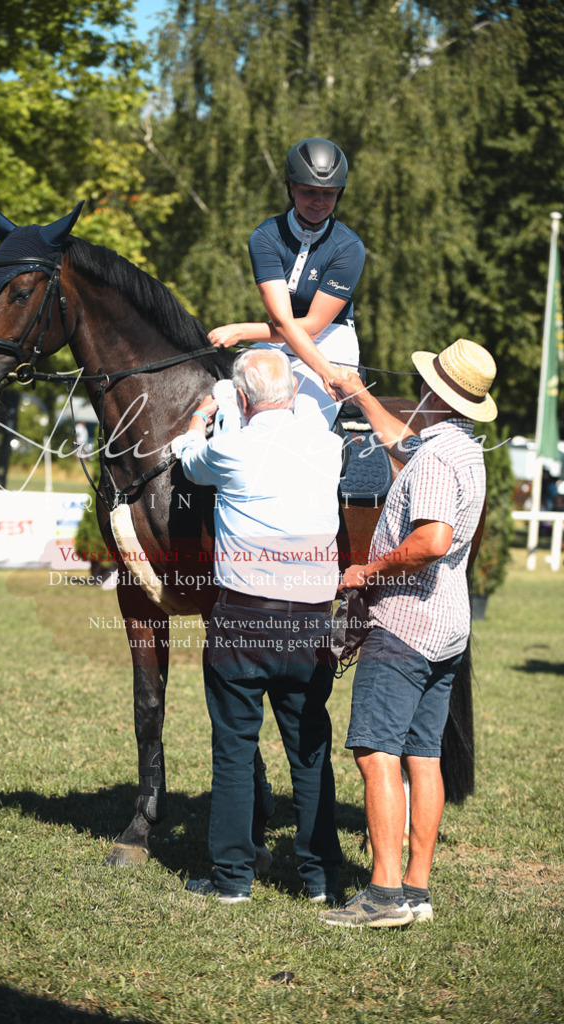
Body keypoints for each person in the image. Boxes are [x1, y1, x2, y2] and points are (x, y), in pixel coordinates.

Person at [320, 337, 496, 929]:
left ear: (432, 393)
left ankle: (383, 894)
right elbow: (402, 444)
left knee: (376, 755)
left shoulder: (438, 461)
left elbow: (432, 541)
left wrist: (366, 570)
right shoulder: (462, 449)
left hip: (404, 625)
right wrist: (360, 392)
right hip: (448, 626)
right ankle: (416, 889)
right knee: (423, 756)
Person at [179, 348, 344, 904]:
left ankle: (232, 880)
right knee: (310, 751)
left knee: (232, 749)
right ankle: (319, 878)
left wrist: (207, 414)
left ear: (244, 399)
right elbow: (303, 413)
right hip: (310, 620)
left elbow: (188, 458)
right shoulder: (327, 443)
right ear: (294, 397)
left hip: (243, 618)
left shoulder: (230, 447)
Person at [208, 137, 365, 430]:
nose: (319, 202)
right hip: (277, 335)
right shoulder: (265, 237)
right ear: (291, 187)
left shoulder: (349, 247)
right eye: (309, 191)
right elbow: (282, 320)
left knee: (306, 425)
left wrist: (240, 331)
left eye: (328, 193)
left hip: (331, 339)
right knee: (224, 403)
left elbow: (315, 326)